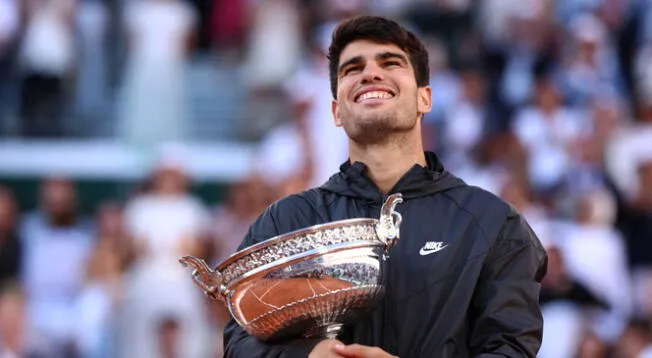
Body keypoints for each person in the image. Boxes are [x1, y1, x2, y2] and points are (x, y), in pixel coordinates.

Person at [222, 15, 548, 358]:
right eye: (352, 69)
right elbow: (240, 342)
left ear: (425, 99)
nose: (370, 73)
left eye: (390, 63)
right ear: (336, 111)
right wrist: (309, 355)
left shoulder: (492, 222)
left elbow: (511, 349)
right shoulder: (286, 220)